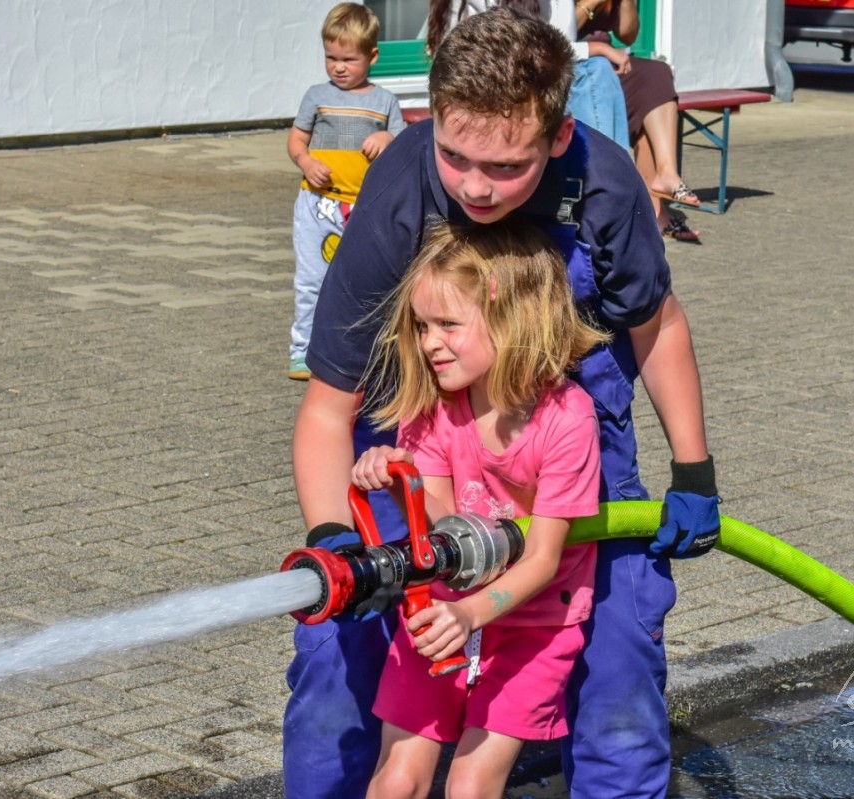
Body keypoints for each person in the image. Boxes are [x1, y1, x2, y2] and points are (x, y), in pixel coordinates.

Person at [285, 9, 722, 799]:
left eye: (508, 166)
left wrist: (694, 470)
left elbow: (657, 326)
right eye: (456, 158)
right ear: (430, 118)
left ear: (556, 138)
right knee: (336, 647)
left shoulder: (605, 181)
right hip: (426, 437)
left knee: (618, 643)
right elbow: (325, 410)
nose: (478, 186)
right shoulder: (398, 194)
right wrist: (333, 538)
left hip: (569, 441)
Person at [352, 221, 606, 799]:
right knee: (397, 780)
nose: (428, 343)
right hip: (441, 611)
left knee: (470, 785)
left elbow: (543, 558)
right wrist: (402, 483)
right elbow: (443, 525)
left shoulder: (567, 420)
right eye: (421, 325)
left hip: (532, 624)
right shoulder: (436, 405)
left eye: (447, 325)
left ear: (511, 320)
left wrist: (472, 614)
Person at [286, 2, 406, 380]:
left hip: (363, 205)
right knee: (311, 279)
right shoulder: (316, 95)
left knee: (359, 278)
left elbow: (403, 142)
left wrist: (386, 136)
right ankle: (303, 351)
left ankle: (356, 351)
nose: (338, 66)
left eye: (348, 59)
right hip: (316, 204)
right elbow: (296, 141)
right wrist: (306, 163)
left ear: (372, 56)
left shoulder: (384, 101)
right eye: (330, 57)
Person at [424, 0, 631, 147]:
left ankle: (611, 177)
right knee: (592, 72)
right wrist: (597, 48)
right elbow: (477, 51)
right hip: (476, 82)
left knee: (597, 70)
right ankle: (605, 175)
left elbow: (558, 51)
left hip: (528, 77)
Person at [577, 0, 702, 241]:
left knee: (655, 74)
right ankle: (652, 216)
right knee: (635, 104)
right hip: (578, 64)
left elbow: (627, 36)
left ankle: (666, 173)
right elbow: (557, 35)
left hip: (610, 63)